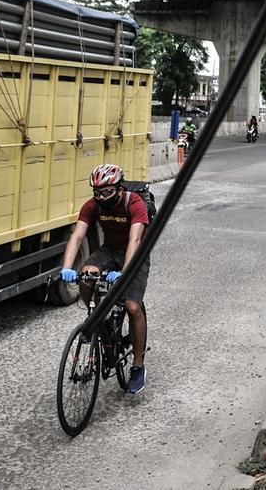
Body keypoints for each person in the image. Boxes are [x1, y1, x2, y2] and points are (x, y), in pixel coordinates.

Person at [59, 164, 150, 394]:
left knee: (131, 306)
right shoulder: (92, 206)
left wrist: (125, 273)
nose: (101, 197)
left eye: (106, 192)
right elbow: (77, 236)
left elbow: (135, 240)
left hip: (135, 254)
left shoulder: (134, 203)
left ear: (118, 189)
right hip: (109, 250)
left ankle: (138, 366)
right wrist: (67, 269)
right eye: (96, 192)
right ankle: (97, 318)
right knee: (87, 276)